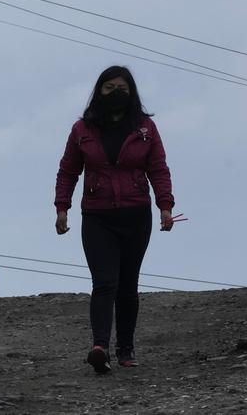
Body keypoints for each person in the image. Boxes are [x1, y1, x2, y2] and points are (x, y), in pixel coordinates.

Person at [54, 66, 175, 374]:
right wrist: (62, 207)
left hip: (136, 215)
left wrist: (165, 206)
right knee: (104, 282)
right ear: (99, 92)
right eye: (109, 88)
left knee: (128, 284)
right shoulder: (82, 130)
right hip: (97, 216)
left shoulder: (146, 128)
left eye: (122, 88)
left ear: (132, 92)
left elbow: (158, 168)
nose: (115, 93)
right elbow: (68, 171)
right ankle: (100, 347)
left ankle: (126, 348)